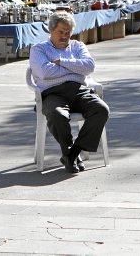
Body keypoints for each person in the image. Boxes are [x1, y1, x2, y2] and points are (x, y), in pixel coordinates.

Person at [29, 11, 110, 173]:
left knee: (101, 110)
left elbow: (89, 67)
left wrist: (61, 62)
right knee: (57, 115)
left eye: (68, 32)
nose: (65, 36)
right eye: (61, 32)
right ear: (51, 30)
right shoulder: (39, 49)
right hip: (52, 93)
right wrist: (74, 69)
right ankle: (70, 154)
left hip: (78, 90)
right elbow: (45, 72)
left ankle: (72, 154)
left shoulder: (78, 46)